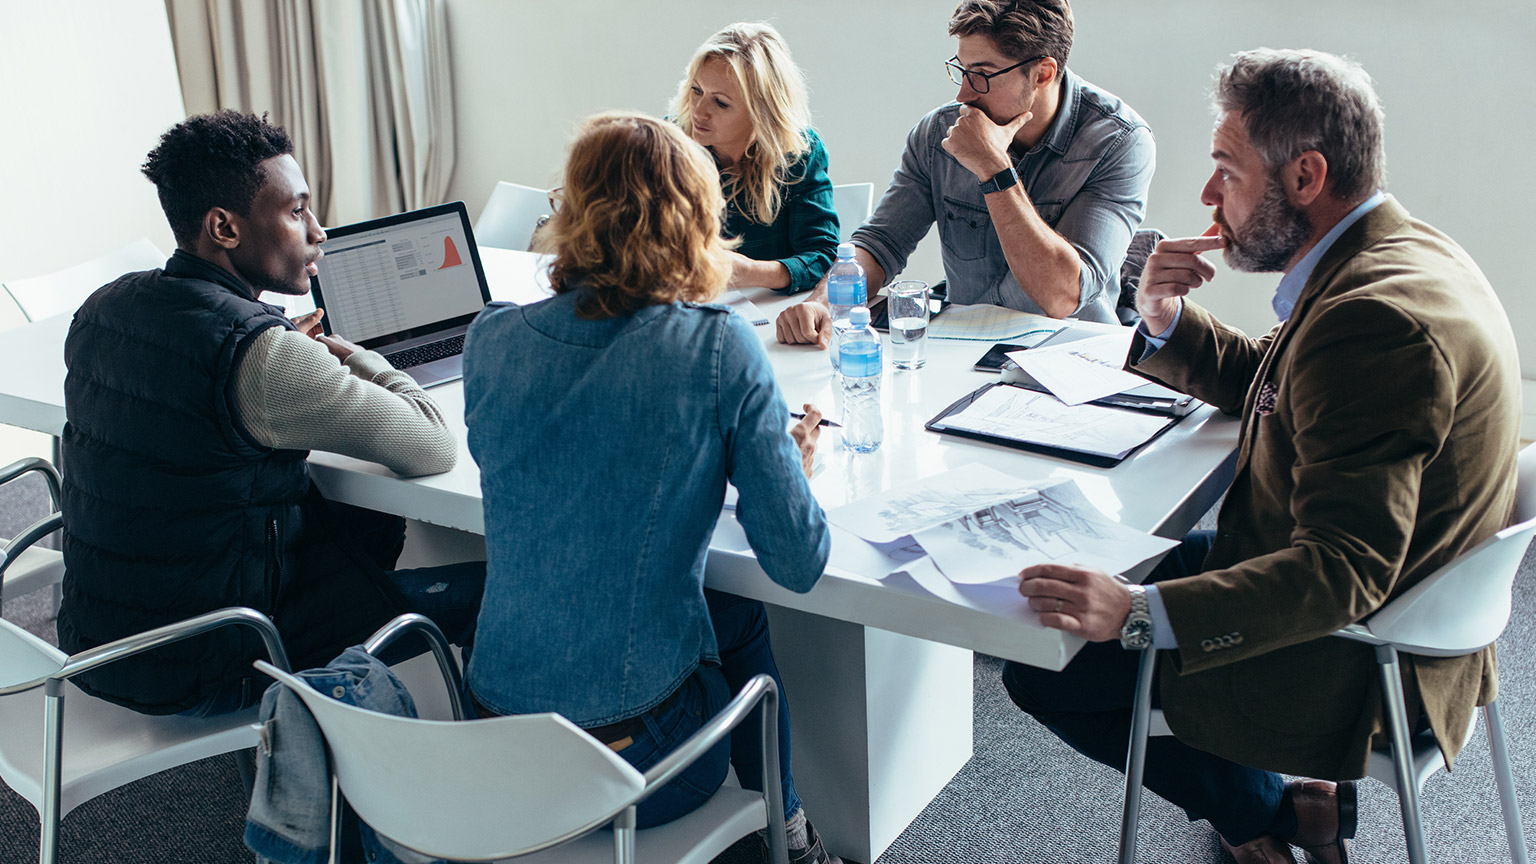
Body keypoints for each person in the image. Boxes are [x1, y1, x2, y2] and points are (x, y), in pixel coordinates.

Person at [1003, 49, 1520, 864]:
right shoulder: (1394, 252)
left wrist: (1137, 616)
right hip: (1404, 598)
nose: (1210, 197)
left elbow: (1341, 574)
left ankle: (1266, 813)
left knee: (1047, 665)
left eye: (1226, 171)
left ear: (1306, 175)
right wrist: (1162, 315)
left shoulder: (1372, 324)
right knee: (1125, 561)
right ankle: (1285, 815)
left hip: (1360, 654)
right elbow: (1281, 378)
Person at [463, 112, 840, 863]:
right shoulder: (716, 347)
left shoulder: (492, 335)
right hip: (636, 760)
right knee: (740, 613)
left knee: (713, 609)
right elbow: (798, 563)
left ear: (567, 211)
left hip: (492, 737)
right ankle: (789, 835)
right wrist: (786, 464)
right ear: (699, 221)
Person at [58, 111, 485, 717]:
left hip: (101, 643)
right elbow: (432, 446)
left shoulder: (104, 308)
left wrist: (283, 348)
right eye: (295, 212)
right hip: (221, 653)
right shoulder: (263, 354)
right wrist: (362, 358)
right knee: (499, 590)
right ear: (223, 228)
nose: (319, 231)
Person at [776, 0, 1153, 345]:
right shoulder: (937, 134)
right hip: (964, 347)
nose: (964, 95)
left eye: (982, 74)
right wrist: (824, 303)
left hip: (1068, 357)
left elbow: (1062, 296)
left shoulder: (1118, 142)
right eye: (962, 70)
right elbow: (881, 244)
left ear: (1042, 73)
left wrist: (994, 168)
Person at [671, 21, 840, 294]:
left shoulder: (800, 153)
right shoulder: (667, 144)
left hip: (771, 316)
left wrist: (752, 272)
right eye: (696, 90)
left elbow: (822, 256)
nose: (699, 112)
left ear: (762, 113)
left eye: (721, 102)